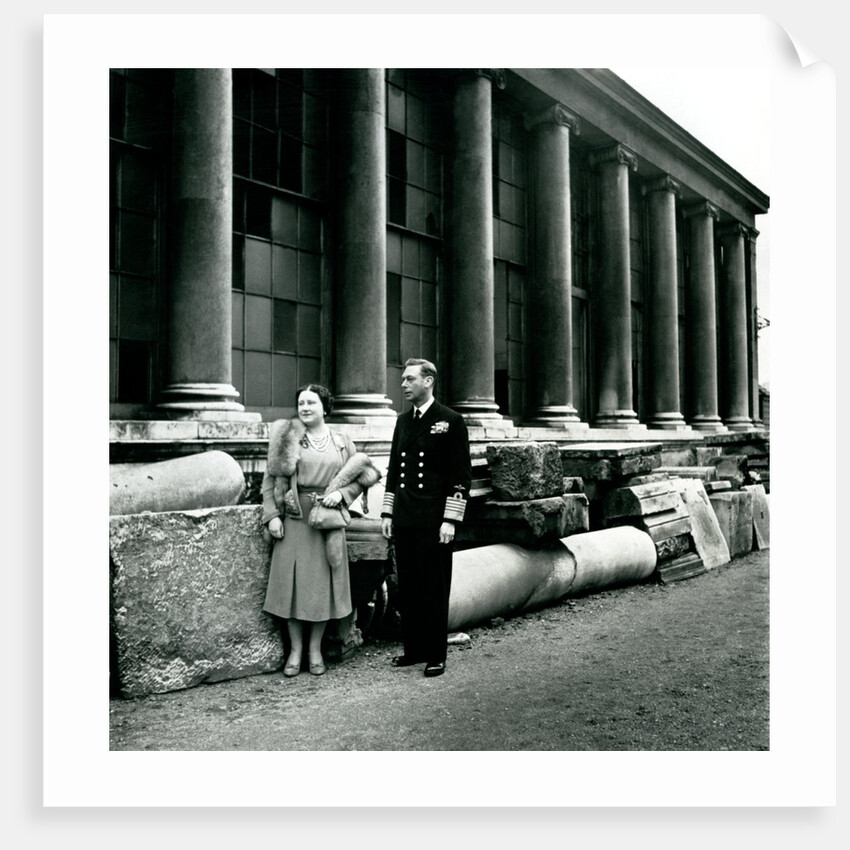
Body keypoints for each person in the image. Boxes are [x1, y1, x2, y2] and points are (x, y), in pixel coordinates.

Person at [262, 384, 381, 678]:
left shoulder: (341, 441)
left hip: (327, 521)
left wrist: (343, 496)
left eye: (311, 402)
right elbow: (269, 480)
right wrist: (272, 517)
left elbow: (365, 475)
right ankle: (295, 651)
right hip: (294, 518)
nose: (304, 407)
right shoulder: (287, 437)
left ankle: (315, 649)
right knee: (292, 589)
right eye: (301, 402)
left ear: (325, 407)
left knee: (320, 590)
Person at [380, 358, 472, 678]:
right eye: (403, 380)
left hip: (435, 520)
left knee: (434, 587)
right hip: (405, 517)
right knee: (410, 587)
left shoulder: (450, 420)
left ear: (428, 381)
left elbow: (460, 476)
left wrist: (451, 519)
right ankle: (414, 649)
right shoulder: (403, 422)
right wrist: (387, 511)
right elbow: (394, 470)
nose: (403, 385)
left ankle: (436, 653)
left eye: (409, 379)